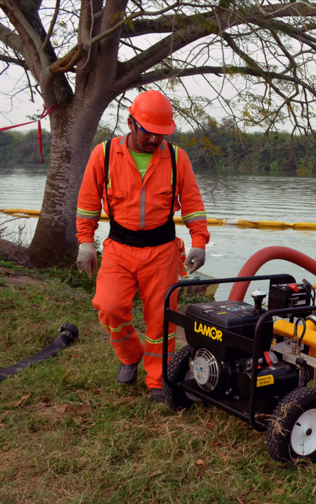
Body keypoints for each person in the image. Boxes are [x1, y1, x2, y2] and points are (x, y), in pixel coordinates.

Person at [75, 90, 210, 402]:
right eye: (149, 132)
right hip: (119, 248)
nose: (155, 140)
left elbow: (192, 205)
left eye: (162, 134)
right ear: (131, 123)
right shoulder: (104, 154)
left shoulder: (176, 158)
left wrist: (199, 242)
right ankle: (129, 355)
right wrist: (85, 242)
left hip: (162, 251)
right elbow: (87, 205)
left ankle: (157, 379)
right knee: (108, 307)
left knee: (161, 320)